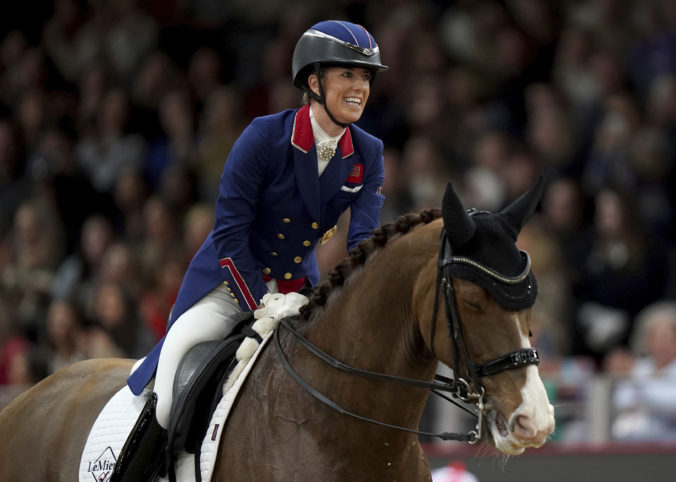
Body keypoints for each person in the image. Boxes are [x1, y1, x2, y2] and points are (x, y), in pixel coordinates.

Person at [117, 20, 388, 480]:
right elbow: (229, 234)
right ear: (314, 82)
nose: (360, 86)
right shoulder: (264, 137)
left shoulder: (369, 153)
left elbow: (362, 242)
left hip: (299, 290)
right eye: (348, 75)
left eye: (365, 77)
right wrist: (259, 303)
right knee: (169, 385)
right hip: (230, 285)